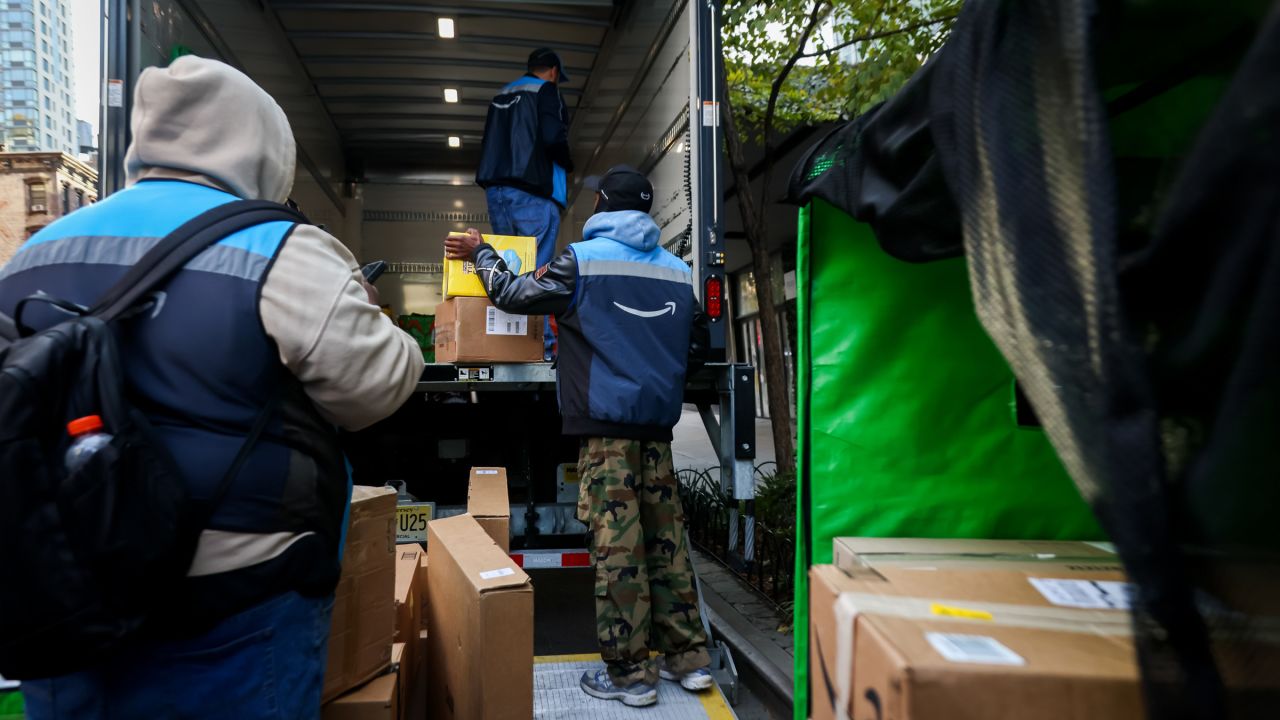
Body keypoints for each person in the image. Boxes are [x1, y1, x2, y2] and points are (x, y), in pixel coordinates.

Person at [0, 56, 424, 719]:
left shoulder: (34, 252)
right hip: (231, 608)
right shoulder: (279, 244)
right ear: (263, 146)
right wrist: (368, 311)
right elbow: (374, 387)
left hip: (61, 602)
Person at [445, 166, 713, 707]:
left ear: (602, 207)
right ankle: (689, 661)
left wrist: (480, 253)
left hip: (605, 433)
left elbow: (514, 295)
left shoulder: (581, 262)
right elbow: (695, 351)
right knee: (667, 544)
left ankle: (631, 676)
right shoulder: (677, 271)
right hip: (656, 431)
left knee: (619, 550)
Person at [475, 46, 575, 360]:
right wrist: (568, 162)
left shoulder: (501, 95)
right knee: (538, 275)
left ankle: (510, 346)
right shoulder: (546, 91)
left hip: (498, 193)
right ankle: (539, 350)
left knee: (509, 269)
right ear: (554, 72)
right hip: (533, 195)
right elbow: (553, 138)